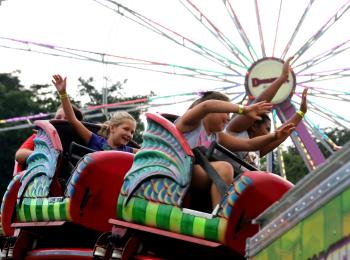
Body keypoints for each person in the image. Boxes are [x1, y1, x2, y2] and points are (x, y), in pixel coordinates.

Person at [175, 91, 295, 209]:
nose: (228, 119)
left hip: (191, 172)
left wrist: (274, 136)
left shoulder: (217, 136)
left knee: (243, 186)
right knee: (224, 168)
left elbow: (249, 144)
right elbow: (206, 106)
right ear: (212, 111)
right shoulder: (192, 123)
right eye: (226, 113)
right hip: (176, 169)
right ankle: (219, 214)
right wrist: (243, 110)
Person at [226, 87, 309, 172]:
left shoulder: (257, 150)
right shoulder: (235, 132)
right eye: (267, 129)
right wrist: (282, 78)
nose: (268, 134)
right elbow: (260, 101)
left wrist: (301, 112)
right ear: (254, 126)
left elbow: (282, 134)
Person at [52, 74, 138, 153]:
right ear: (112, 128)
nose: (129, 134)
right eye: (126, 129)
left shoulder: (128, 151)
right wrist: (63, 93)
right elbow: (73, 120)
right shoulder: (96, 141)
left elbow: (149, 153)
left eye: (132, 132)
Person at [15, 104, 84, 171]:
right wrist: (49, 156)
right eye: (58, 118)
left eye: (67, 118)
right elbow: (20, 155)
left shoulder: (83, 140)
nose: (61, 120)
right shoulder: (41, 136)